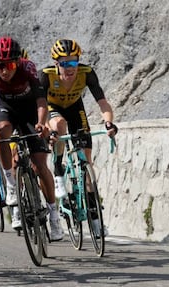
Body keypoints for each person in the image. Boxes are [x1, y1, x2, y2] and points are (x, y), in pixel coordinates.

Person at [0, 36, 64, 240]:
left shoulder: (28, 68)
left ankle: (53, 214)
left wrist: (42, 123)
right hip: (5, 108)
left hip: (29, 109)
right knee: (1, 131)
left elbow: (41, 100)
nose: (5, 70)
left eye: (10, 65)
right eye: (0, 65)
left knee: (40, 166)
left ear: (18, 62)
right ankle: (10, 184)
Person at [38, 38, 118, 236]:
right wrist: (49, 129)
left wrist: (108, 122)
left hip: (75, 109)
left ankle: (96, 219)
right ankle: (58, 169)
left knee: (87, 165)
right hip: (52, 109)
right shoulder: (45, 76)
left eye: (73, 62)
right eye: (64, 63)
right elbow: (39, 106)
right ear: (56, 64)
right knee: (59, 125)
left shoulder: (86, 73)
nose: (70, 67)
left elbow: (102, 101)